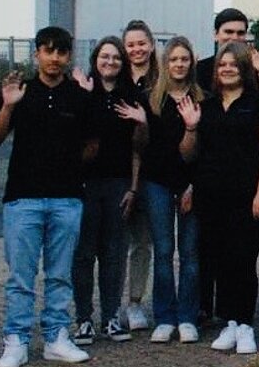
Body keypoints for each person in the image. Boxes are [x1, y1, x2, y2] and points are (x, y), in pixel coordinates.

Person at [0, 27, 95, 367]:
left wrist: (69, 167)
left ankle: (56, 337)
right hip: (23, 200)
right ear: (36, 54)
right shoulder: (20, 91)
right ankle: (15, 341)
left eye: (61, 52)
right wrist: (7, 106)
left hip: (67, 199)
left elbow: (93, 143)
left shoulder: (78, 96)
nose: (54, 59)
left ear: (68, 56)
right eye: (47, 51)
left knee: (60, 274)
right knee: (21, 276)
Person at [190, 41, 259, 354]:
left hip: (248, 195)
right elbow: (197, 153)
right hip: (212, 195)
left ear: (244, 68)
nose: (226, 69)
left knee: (243, 259)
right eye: (221, 64)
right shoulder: (208, 106)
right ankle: (229, 322)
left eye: (232, 64)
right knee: (221, 261)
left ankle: (245, 325)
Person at [70, 37, 143, 346]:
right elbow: (73, 136)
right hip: (86, 185)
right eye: (104, 56)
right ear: (96, 59)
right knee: (84, 255)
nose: (110, 62)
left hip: (118, 183)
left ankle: (111, 316)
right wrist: (85, 98)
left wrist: (134, 187)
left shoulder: (131, 95)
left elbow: (139, 149)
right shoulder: (82, 90)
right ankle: (84, 318)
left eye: (115, 57)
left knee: (114, 254)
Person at [135, 36, 204, 344]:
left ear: (191, 63)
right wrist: (140, 124)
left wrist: (193, 185)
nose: (179, 64)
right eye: (174, 59)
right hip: (157, 183)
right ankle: (164, 316)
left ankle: (188, 316)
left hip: (192, 184)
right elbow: (141, 147)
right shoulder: (150, 99)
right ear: (165, 63)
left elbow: (203, 152)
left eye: (184, 59)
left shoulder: (204, 99)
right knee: (163, 252)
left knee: (189, 254)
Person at [117, 20, 157, 333]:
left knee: (143, 242)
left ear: (152, 44)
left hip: (151, 171)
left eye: (141, 43)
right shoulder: (114, 78)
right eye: (130, 44)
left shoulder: (161, 79)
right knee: (115, 242)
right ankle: (108, 305)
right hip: (116, 170)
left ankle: (135, 301)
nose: (136, 49)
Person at [196, 8, 259, 94]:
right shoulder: (200, 69)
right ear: (216, 34)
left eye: (240, 33)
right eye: (229, 32)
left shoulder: (256, 68)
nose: (235, 37)